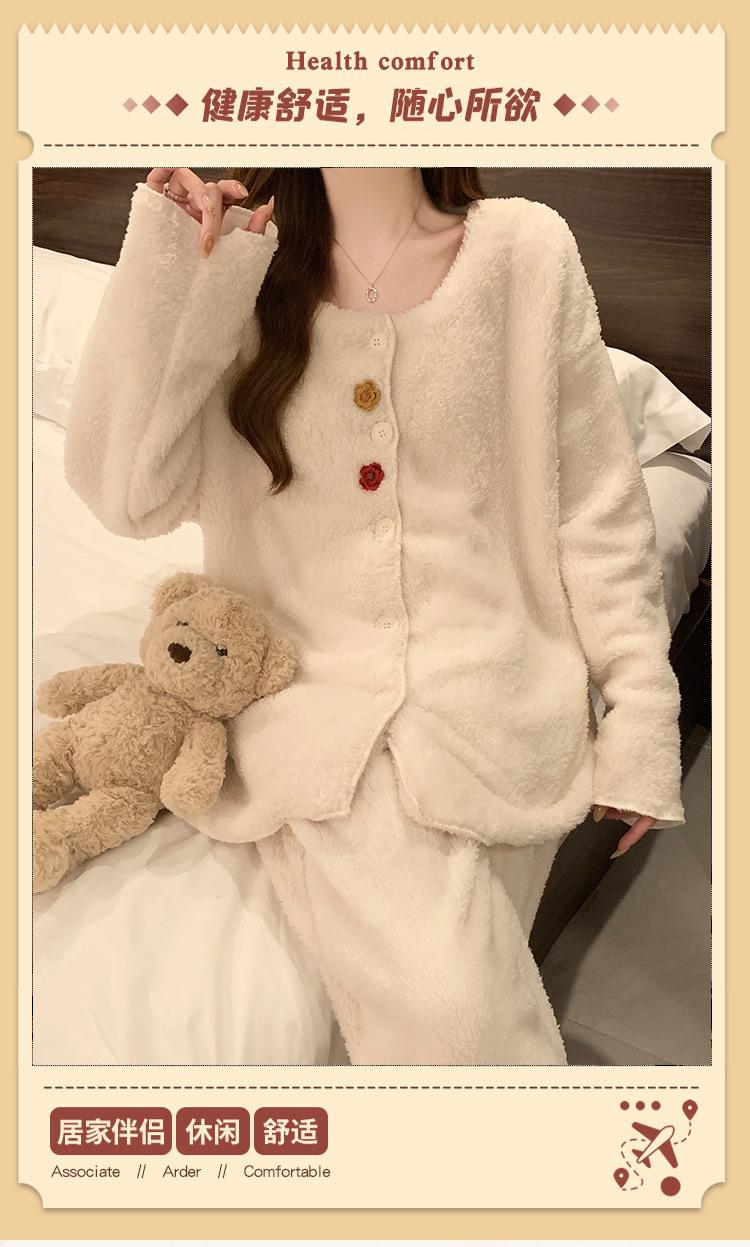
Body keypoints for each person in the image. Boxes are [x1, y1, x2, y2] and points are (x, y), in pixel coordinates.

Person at [63, 166, 686, 1065]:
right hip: (306, 702)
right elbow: (126, 497)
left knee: (456, 1005)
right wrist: (177, 265)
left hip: (500, 696)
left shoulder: (528, 251)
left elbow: (597, 508)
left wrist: (640, 714)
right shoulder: (244, 261)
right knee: (454, 1010)